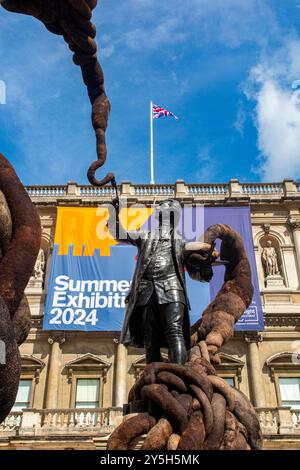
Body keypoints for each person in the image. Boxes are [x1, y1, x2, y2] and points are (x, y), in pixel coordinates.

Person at [109, 199, 218, 364]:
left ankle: (179, 376)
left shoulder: (182, 244)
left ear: (172, 213)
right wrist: (113, 212)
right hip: (146, 291)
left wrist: (206, 265)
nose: (159, 206)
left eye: (164, 204)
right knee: (149, 340)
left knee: (174, 332)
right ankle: (154, 381)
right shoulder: (144, 235)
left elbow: (199, 275)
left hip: (172, 289)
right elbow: (118, 233)